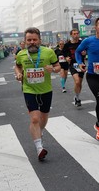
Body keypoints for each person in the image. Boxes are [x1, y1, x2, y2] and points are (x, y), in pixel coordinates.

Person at [13, 27, 61, 161]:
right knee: (34, 118)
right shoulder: (21, 54)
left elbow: (58, 67)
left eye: (34, 39)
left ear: (40, 40)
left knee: (43, 118)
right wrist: (18, 73)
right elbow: (17, 66)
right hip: (29, 89)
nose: (32, 42)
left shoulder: (49, 52)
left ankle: (40, 132)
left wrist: (53, 69)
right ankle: (39, 148)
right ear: (25, 41)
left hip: (46, 90)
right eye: (29, 40)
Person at [62, 29, 84, 107]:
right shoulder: (67, 44)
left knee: (80, 83)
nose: (76, 35)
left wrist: (85, 52)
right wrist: (66, 58)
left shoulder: (82, 43)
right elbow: (63, 52)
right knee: (77, 81)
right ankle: (77, 99)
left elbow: (88, 50)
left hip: (81, 64)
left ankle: (77, 96)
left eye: (77, 33)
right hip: (73, 64)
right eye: (74, 34)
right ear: (71, 35)